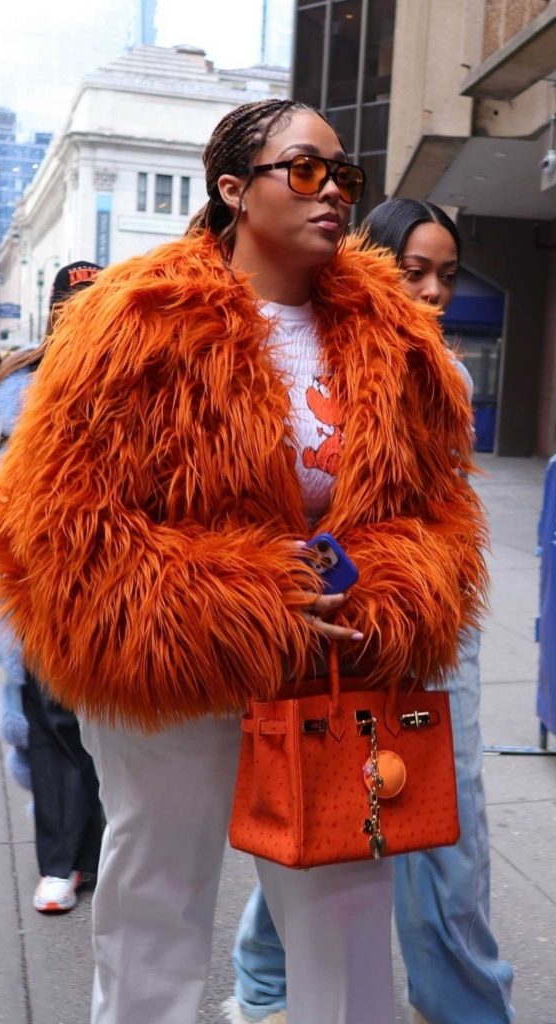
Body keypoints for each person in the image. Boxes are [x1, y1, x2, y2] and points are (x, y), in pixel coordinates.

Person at [0, 101, 486, 1024]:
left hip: (333, 668)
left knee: (346, 922)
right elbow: (61, 520)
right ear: (231, 188)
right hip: (176, 674)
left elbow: (439, 508)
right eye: (303, 169)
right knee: (155, 907)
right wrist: (249, 598)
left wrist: (384, 591)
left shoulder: (393, 338)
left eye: (343, 176)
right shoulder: (134, 321)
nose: (331, 191)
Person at [224, 199, 514, 1024]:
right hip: (327, 621)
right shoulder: (310, 351)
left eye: (448, 276)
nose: (433, 292)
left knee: (441, 824)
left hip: (423, 621)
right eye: (413, 269)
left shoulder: (440, 372)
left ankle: (463, 1005)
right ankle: (266, 984)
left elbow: (441, 509)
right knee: (329, 807)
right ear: (367, 261)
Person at [0, 261, 104, 914]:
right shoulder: (25, 390)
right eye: (69, 307)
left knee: (96, 730)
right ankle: (61, 863)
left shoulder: (134, 383)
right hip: (43, 589)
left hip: (115, 587)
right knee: (52, 723)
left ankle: (88, 852)